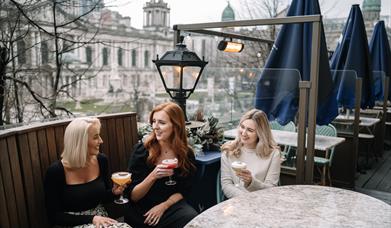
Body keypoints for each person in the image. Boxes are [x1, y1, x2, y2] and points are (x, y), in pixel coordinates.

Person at [44, 117, 131, 228]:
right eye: (95, 137)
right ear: (80, 142)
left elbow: (102, 197)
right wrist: (91, 219)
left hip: (100, 219)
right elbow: (54, 216)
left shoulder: (101, 160)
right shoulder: (56, 171)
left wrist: (114, 193)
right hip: (71, 223)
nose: (101, 141)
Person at [125, 102, 198, 227]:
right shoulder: (141, 151)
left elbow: (184, 190)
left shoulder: (186, 153)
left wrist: (164, 206)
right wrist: (153, 176)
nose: (155, 127)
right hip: (143, 209)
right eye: (154, 121)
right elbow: (133, 196)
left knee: (191, 217)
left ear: (176, 126)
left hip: (170, 205)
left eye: (162, 123)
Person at [220, 109, 281, 199]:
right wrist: (246, 199)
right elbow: (227, 185)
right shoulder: (229, 150)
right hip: (237, 201)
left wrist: (251, 182)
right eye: (242, 127)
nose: (243, 133)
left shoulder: (273, 154)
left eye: (250, 130)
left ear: (260, 133)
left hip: (262, 201)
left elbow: (271, 189)